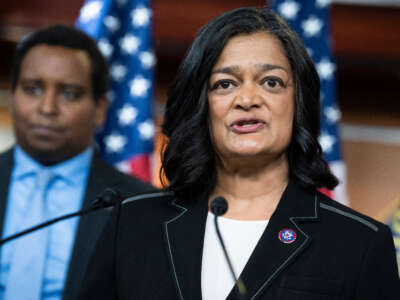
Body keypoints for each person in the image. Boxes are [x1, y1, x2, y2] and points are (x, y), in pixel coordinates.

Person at [79, 7, 399, 300]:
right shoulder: (133, 224)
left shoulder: (359, 243)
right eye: (225, 84)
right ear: (201, 106)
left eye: (271, 82)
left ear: (299, 104)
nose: (247, 98)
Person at [0, 25, 155, 300]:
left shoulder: (138, 205)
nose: (47, 108)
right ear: (12, 98)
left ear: (100, 110)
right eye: (33, 89)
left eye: (69, 94)